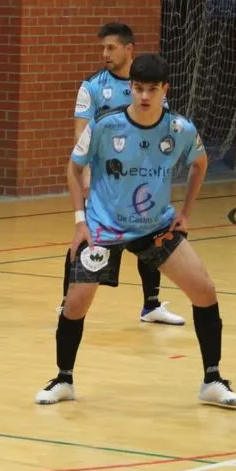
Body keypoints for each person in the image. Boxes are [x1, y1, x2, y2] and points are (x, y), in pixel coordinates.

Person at [34, 53, 236, 409]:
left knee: (204, 290)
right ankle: (64, 379)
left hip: (156, 226)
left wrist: (186, 213)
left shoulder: (179, 129)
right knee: (75, 305)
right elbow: (73, 170)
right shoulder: (105, 127)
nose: (144, 96)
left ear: (166, 90)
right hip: (103, 226)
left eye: (152, 89)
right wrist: (79, 221)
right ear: (130, 88)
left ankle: (212, 380)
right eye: (138, 88)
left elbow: (200, 164)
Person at [63, 22, 183, 326]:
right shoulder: (91, 86)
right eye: (102, 48)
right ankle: (67, 303)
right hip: (104, 182)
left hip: (139, 178)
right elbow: (81, 135)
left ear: (129, 49)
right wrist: (87, 175)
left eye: (111, 47)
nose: (105, 53)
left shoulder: (148, 83)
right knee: (86, 238)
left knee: (151, 234)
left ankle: (151, 305)